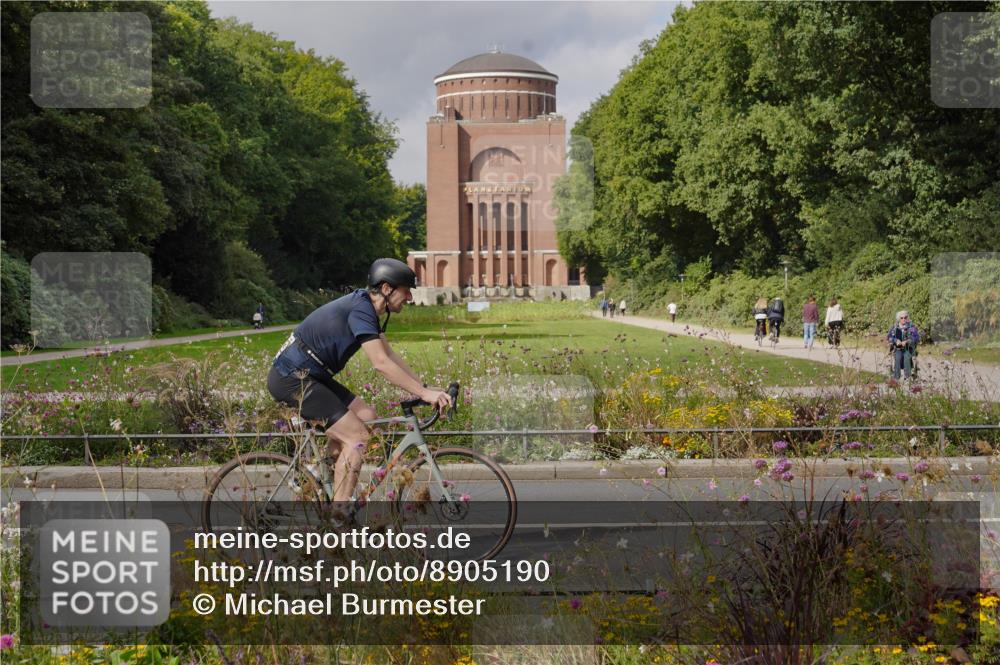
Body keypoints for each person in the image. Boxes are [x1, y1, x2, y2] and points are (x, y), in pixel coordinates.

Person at [267, 258, 453, 505]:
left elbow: (389, 355)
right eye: (406, 290)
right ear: (387, 289)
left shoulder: (368, 309)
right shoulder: (361, 309)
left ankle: (313, 474)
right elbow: (380, 363)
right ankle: (339, 517)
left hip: (311, 374)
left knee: (366, 415)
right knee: (356, 438)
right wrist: (423, 393)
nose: (409, 297)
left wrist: (424, 389)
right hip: (291, 377)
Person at [887, 310, 920, 380]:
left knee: (907, 357)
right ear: (899, 318)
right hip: (898, 348)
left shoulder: (911, 327)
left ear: (907, 317)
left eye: (905, 317)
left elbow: (916, 338)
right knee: (898, 358)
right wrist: (895, 340)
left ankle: (908, 377)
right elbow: (889, 337)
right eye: (901, 318)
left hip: (908, 348)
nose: (904, 319)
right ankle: (896, 378)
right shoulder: (895, 327)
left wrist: (907, 341)